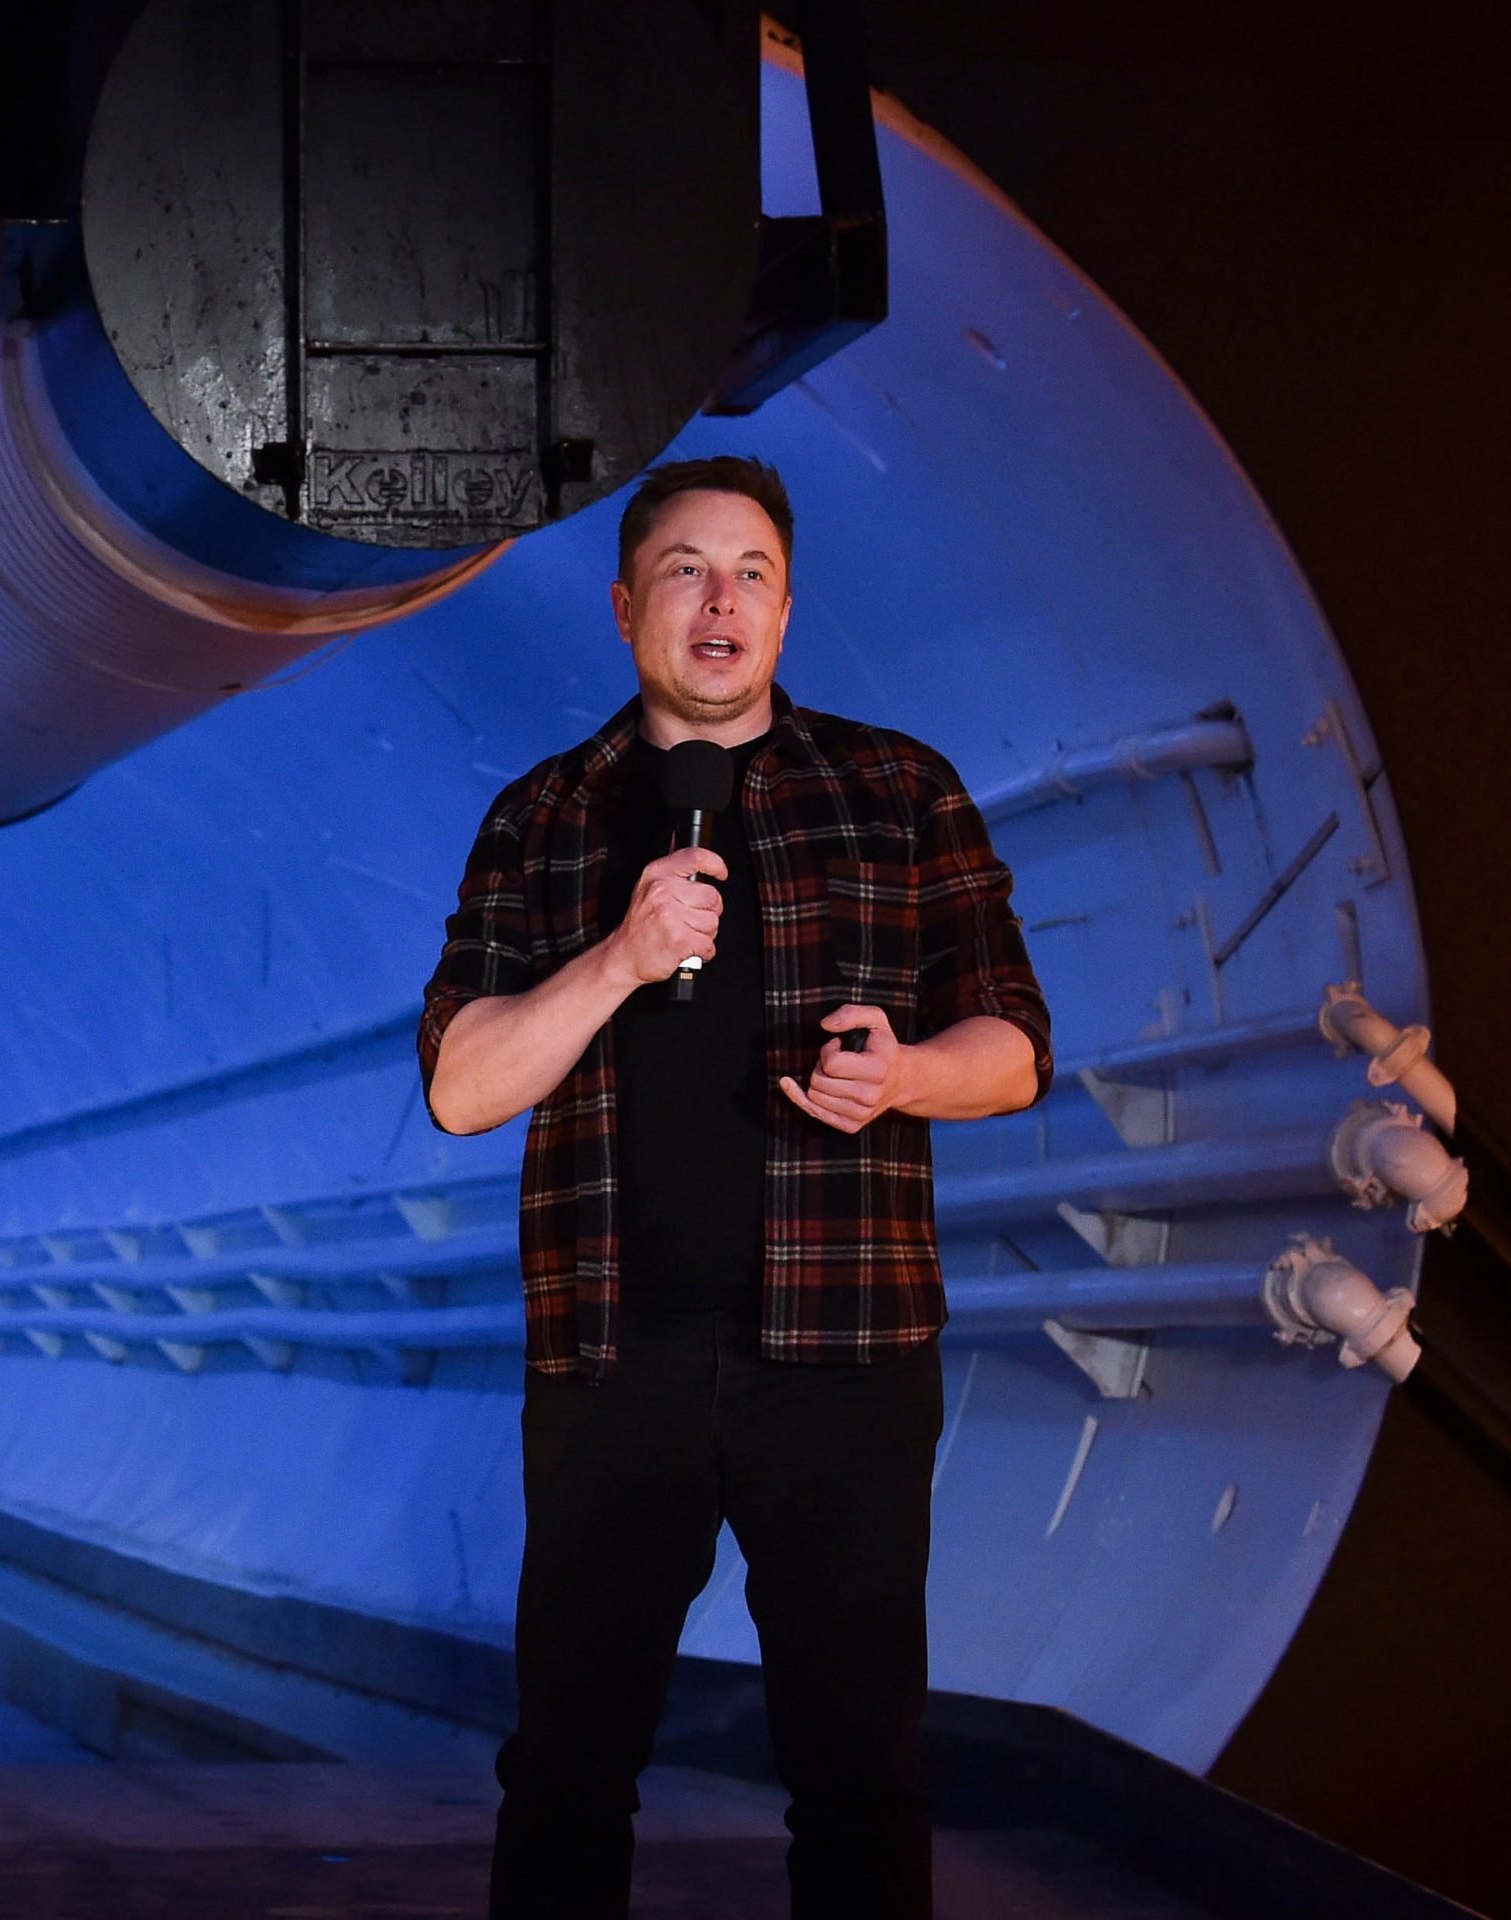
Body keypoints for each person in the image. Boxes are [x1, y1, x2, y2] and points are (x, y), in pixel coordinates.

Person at [417, 455, 1052, 1920]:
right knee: (568, 1771)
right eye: (689, 570)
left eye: (754, 571)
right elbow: (463, 1084)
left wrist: (903, 1076)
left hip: (844, 1364)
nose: (723, 600)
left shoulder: (898, 791)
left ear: (785, 609)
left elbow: (1013, 1045)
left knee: (862, 1771)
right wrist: (621, 958)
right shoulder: (544, 818)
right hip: (612, 1363)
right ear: (628, 606)